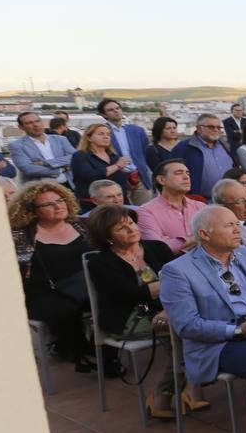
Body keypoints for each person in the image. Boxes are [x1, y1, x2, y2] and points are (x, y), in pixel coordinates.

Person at [160, 204, 246, 433]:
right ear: (204, 234)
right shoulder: (178, 271)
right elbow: (187, 325)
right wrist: (239, 330)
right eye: (228, 225)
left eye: (236, 223)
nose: (237, 229)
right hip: (220, 337)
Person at [84, 205, 180, 415]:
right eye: (121, 227)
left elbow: (185, 278)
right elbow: (131, 295)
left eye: (131, 222)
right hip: (129, 319)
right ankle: (164, 396)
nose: (131, 229)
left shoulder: (156, 247)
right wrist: (170, 285)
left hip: (167, 312)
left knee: (194, 324)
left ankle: (188, 389)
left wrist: (167, 304)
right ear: (107, 236)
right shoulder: (100, 262)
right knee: (184, 332)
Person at [10, 182, 97, 372]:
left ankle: (106, 344)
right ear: (33, 211)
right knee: (63, 310)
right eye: (49, 204)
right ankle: (75, 348)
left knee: (112, 294)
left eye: (60, 200)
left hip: (84, 285)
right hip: (43, 292)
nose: (58, 206)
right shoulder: (21, 235)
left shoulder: (80, 224)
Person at [136, 159, 206, 254]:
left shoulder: (201, 207)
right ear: (161, 180)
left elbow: (217, 236)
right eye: (178, 173)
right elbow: (158, 249)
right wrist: (199, 237)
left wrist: (172, 242)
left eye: (187, 173)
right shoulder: (145, 212)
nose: (186, 177)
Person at [95, 99, 153, 204]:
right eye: (111, 110)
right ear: (104, 114)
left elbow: (145, 151)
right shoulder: (102, 133)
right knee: (121, 212)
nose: (116, 111)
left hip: (139, 178)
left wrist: (142, 167)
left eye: (117, 108)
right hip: (116, 179)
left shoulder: (137, 130)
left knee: (145, 211)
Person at [170, 113, 235, 199]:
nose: (216, 130)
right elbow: (173, 176)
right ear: (199, 128)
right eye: (211, 127)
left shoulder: (225, 146)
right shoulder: (184, 148)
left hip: (229, 199)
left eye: (218, 127)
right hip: (200, 202)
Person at [70, 123, 132, 204]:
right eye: (101, 134)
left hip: (119, 202)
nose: (106, 137)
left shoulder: (114, 156)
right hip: (93, 204)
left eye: (108, 134)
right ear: (89, 137)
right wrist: (117, 166)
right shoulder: (80, 156)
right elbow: (91, 176)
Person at [10, 111, 76, 184]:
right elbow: (28, 169)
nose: (35, 125)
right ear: (21, 127)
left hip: (68, 184)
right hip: (39, 188)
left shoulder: (60, 139)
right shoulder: (17, 145)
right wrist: (62, 169)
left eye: (37, 121)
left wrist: (45, 163)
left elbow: (74, 157)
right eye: (29, 123)